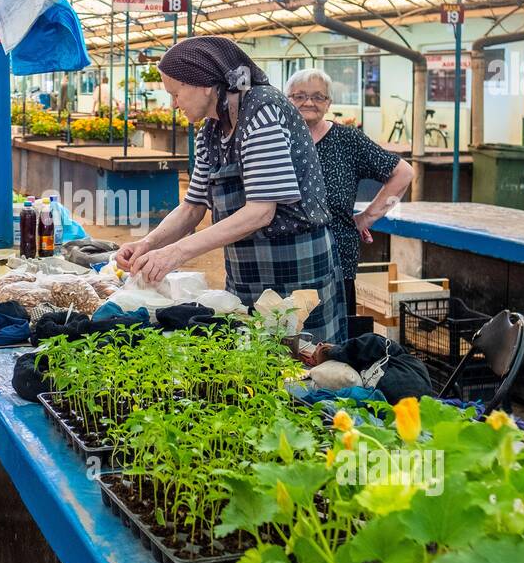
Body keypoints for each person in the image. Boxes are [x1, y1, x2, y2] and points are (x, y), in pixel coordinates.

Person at [114, 36, 347, 343]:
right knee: (252, 357)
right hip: (245, 269)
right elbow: (192, 207)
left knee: (302, 359)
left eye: (176, 92)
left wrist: (177, 252)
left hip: (294, 266)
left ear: (205, 84)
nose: (174, 103)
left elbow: (261, 212)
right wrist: (149, 243)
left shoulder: (262, 110)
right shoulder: (210, 132)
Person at [286, 68, 414, 315]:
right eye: (299, 96)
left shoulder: (347, 140)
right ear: (286, 99)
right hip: (288, 257)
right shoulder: (277, 139)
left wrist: (366, 218)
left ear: (329, 103)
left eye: (318, 97)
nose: (309, 102)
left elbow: (403, 173)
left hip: (337, 259)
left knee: (335, 339)